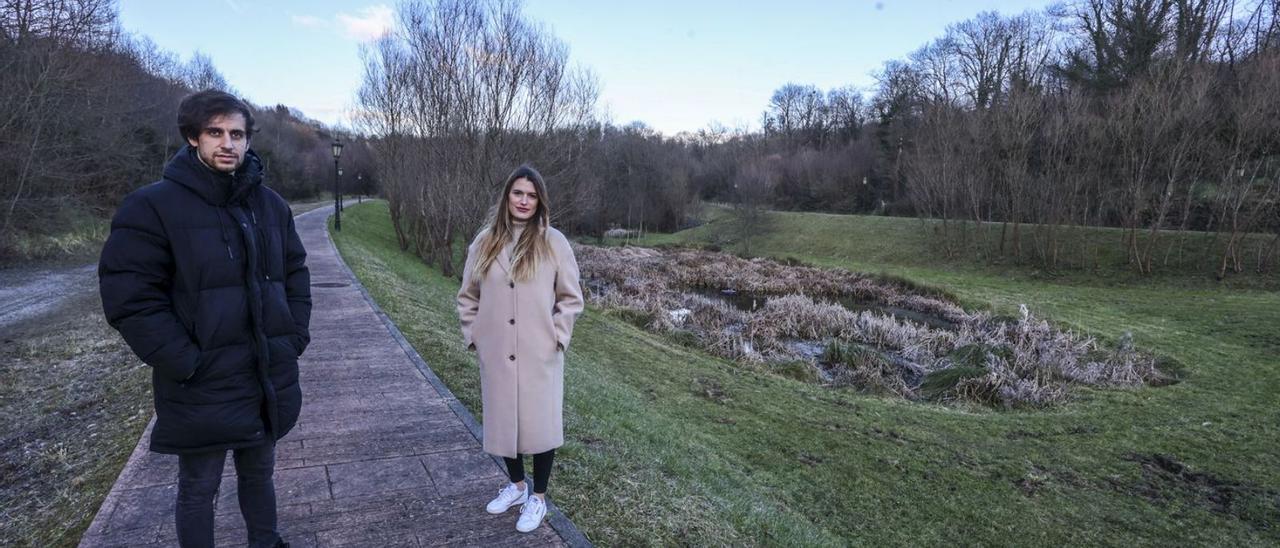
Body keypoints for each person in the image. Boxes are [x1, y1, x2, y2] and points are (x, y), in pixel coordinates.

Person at [98, 89, 310, 548]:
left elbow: (294, 272)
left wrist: (292, 337)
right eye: (216, 132)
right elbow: (130, 298)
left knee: (260, 474)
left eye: (237, 134)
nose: (228, 143)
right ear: (193, 137)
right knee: (199, 487)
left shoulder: (270, 206)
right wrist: (186, 361)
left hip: (265, 373)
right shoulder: (151, 207)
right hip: (201, 380)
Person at [456, 165, 584, 533]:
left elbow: (571, 298)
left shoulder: (553, 242)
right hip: (496, 352)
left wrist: (556, 337)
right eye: (518, 193)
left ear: (539, 200)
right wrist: (475, 336)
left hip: (539, 352)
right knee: (502, 421)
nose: (524, 201)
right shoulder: (485, 241)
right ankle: (515, 486)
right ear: (507, 197)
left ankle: (538, 498)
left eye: (531, 195)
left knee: (541, 424)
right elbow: (468, 297)